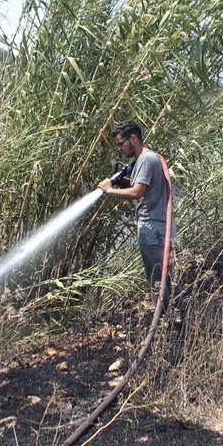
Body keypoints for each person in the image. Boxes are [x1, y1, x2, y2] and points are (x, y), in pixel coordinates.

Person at [98, 119, 179, 316]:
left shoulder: (145, 159)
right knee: (170, 285)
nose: (119, 148)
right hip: (162, 229)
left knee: (159, 286)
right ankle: (178, 327)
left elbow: (137, 192)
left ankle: (166, 330)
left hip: (153, 232)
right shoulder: (152, 158)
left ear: (133, 138)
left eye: (121, 143)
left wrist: (109, 191)